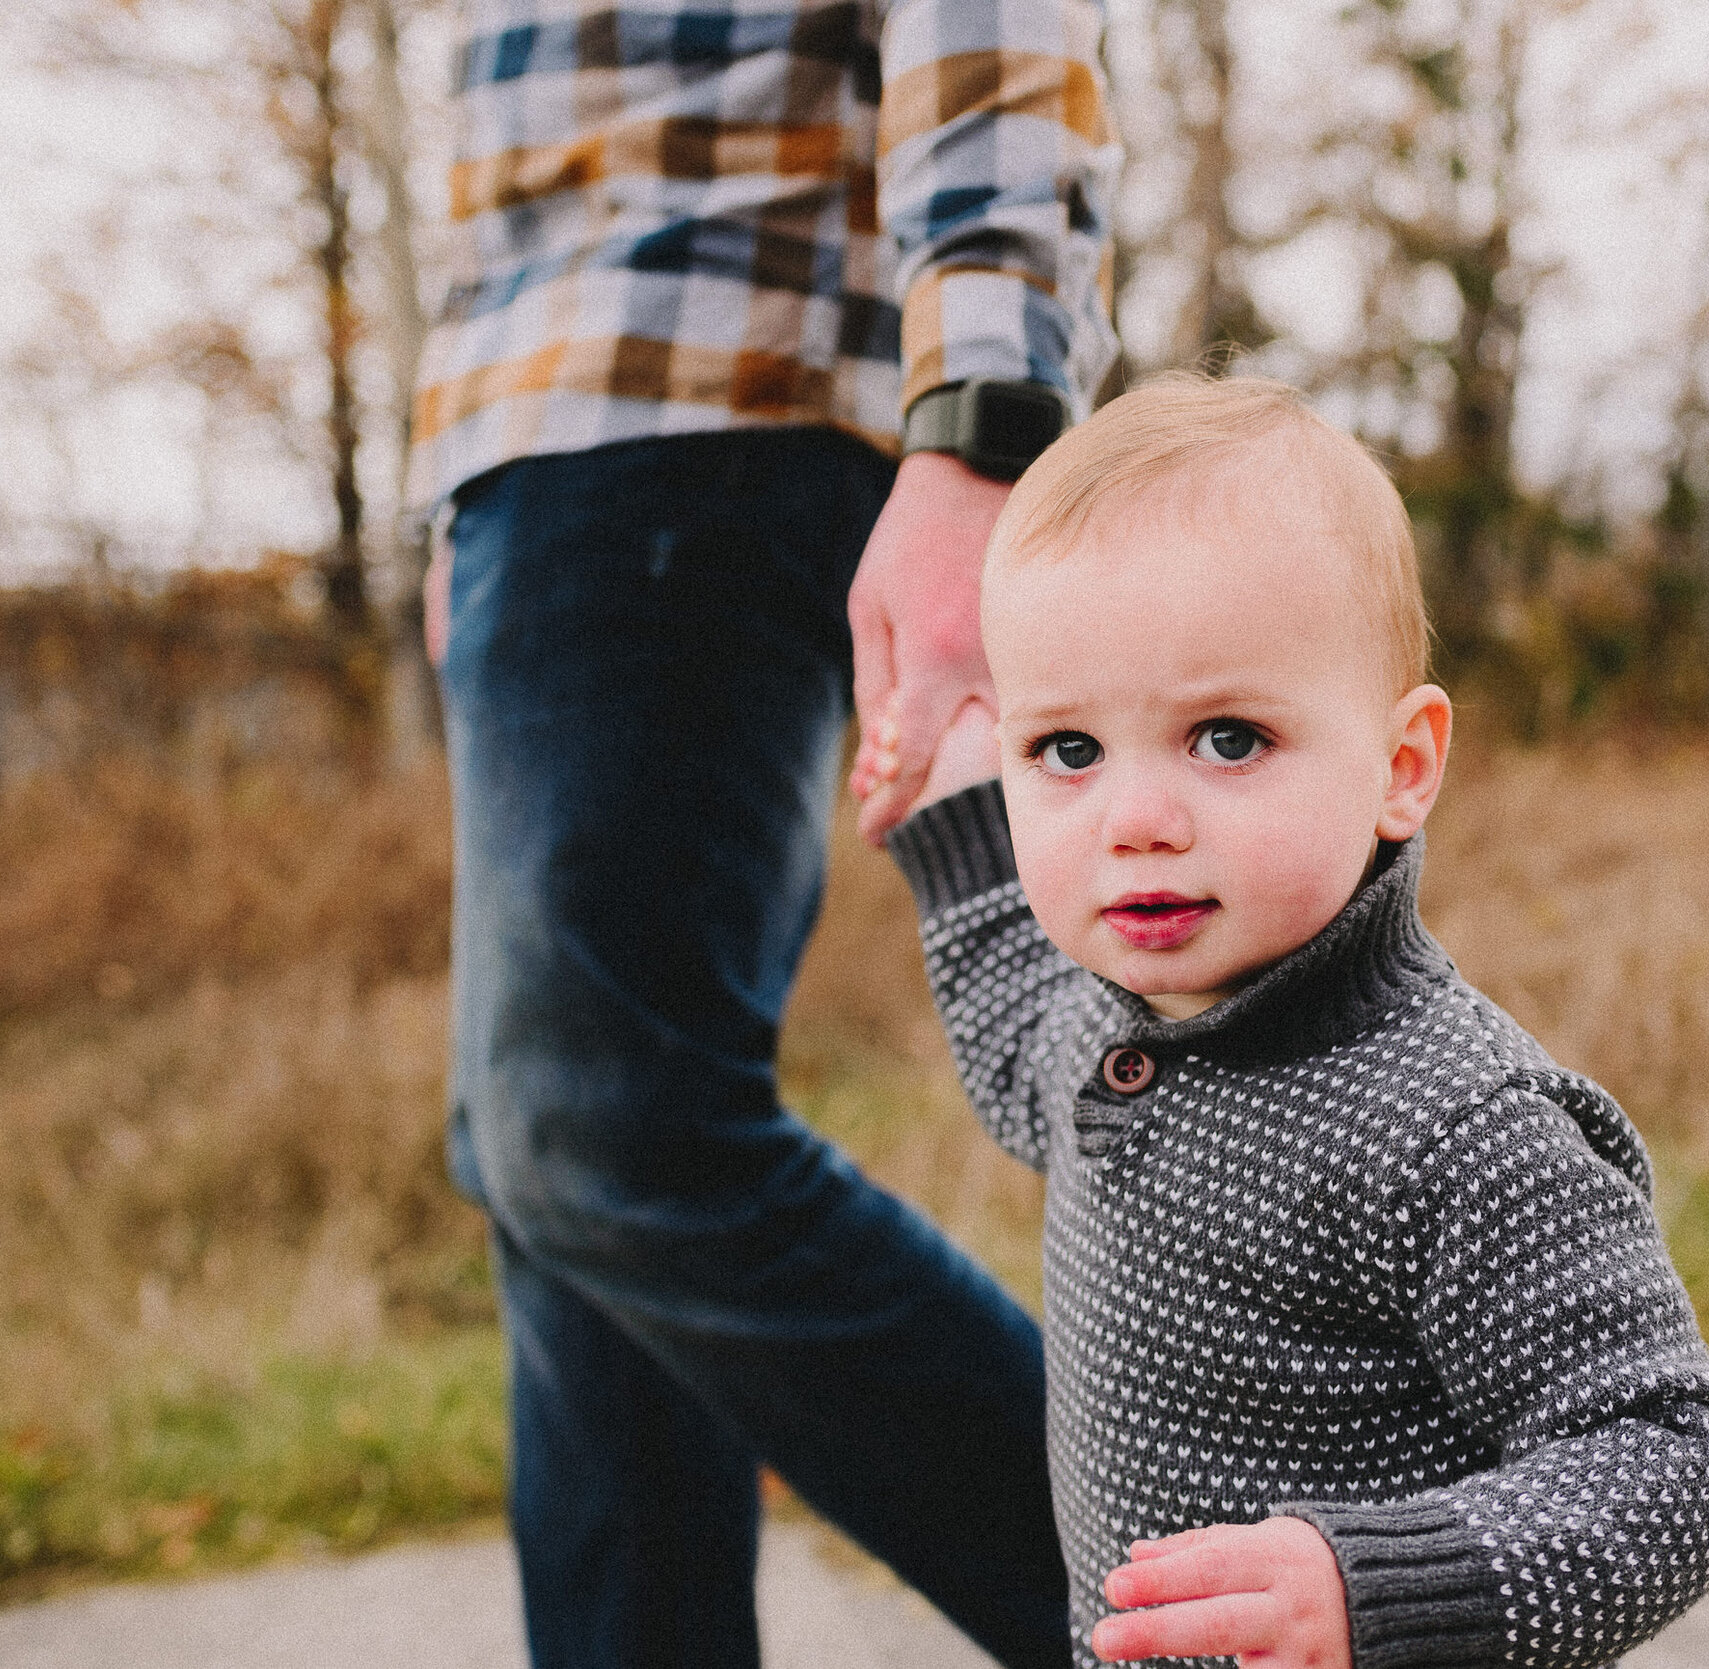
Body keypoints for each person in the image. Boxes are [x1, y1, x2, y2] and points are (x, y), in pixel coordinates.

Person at [407, 1, 1118, 1663]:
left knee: (609, 1125)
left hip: (722, 398)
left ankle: (1208, 1623)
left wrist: (986, 424)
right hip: (549, 445)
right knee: (555, 1176)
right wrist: (472, 471)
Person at [869, 376, 1709, 1669]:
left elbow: (1675, 1461)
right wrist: (945, 812)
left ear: (1403, 767)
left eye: (1225, 737)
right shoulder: (1116, 1035)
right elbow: (1015, 1030)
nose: (1136, 817)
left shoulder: (1459, 1123)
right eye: (1067, 751)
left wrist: (1380, 1589)